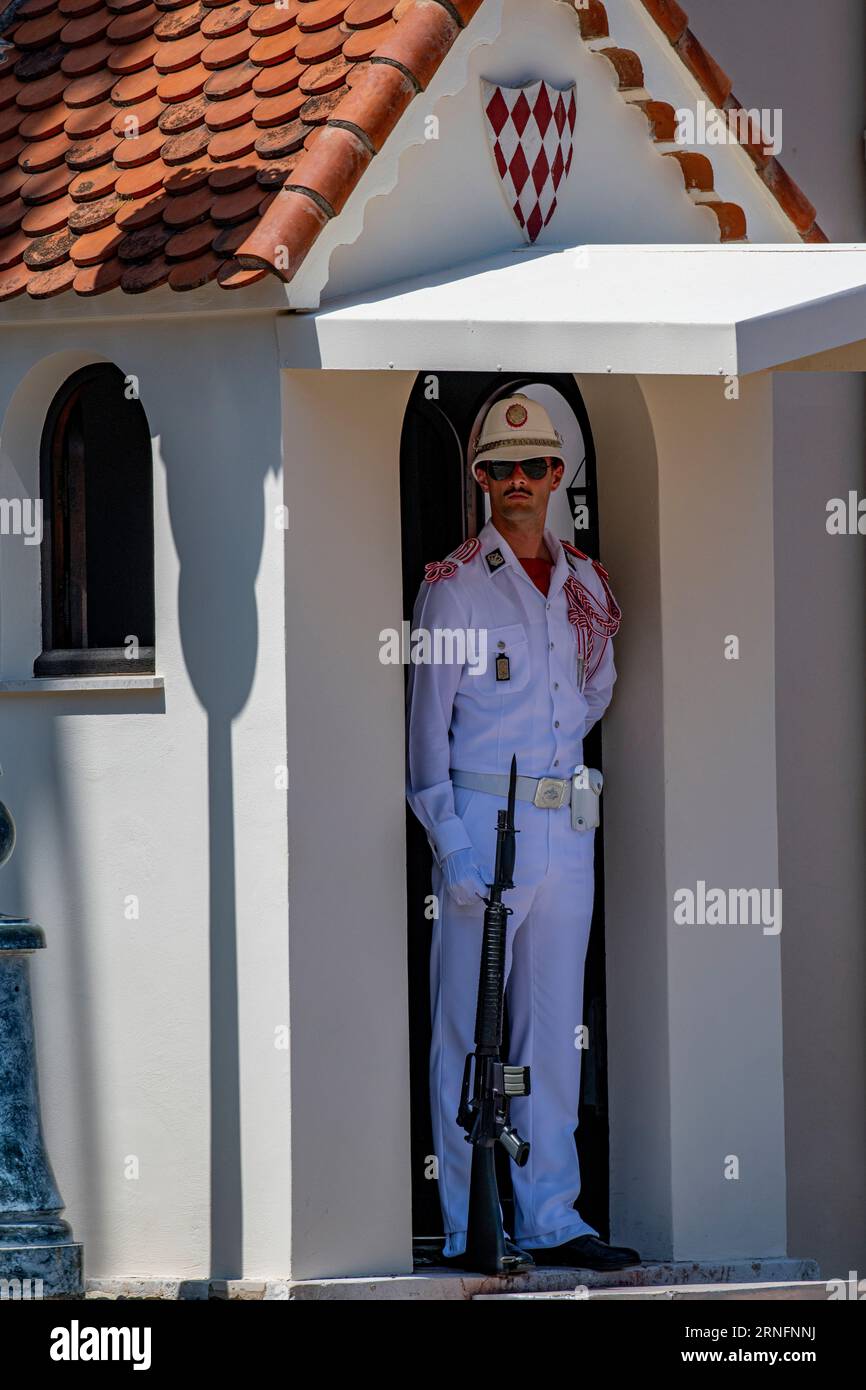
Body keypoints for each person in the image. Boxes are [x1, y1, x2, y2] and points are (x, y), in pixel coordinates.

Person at [406, 392, 641, 1272]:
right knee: (468, 1031)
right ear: (480, 480)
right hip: (480, 820)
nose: (515, 484)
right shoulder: (455, 586)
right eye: (497, 471)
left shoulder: (584, 584)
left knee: (552, 1028)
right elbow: (427, 733)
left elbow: (599, 684)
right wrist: (452, 844)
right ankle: (475, 1220)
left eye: (531, 468)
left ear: (556, 475)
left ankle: (551, 1216)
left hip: (562, 824)